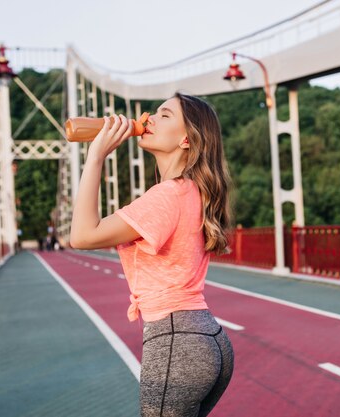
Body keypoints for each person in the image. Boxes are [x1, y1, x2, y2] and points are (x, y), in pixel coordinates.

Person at [70, 92, 235, 416]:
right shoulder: (192, 190)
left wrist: (96, 156)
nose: (149, 119)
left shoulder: (166, 195)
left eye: (164, 115)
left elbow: (81, 236)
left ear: (186, 139)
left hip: (177, 339)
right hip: (210, 338)